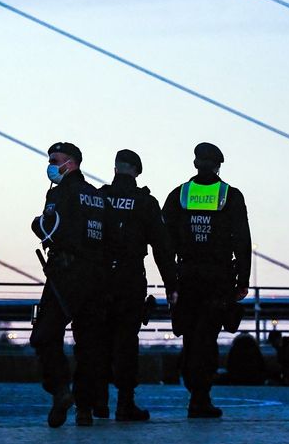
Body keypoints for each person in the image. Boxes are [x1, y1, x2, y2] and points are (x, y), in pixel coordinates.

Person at [162, 142, 252, 418]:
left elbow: (165, 241)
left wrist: (171, 281)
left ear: (195, 163)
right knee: (207, 337)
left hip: (187, 277)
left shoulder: (180, 195)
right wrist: (243, 281)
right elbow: (243, 240)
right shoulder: (229, 196)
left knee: (190, 337)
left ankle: (194, 393)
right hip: (217, 279)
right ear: (217, 165)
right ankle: (201, 397)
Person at [29, 142, 112, 428]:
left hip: (65, 274)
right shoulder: (97, 196)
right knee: (89, 343)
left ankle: (61, 391)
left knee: (44, 335)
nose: (51, 165)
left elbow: (50, 227)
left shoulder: (60, 193)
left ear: (71, 163)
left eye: (55, 160)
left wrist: (36, 224)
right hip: (97, 277)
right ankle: (85, 408)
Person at [95, 149, 177, 421]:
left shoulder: (99, 197)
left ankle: (97, 402)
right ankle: (125, 404)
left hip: (100, 278)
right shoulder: (145, 203)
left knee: (99, 339)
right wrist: (171, 284)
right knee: (126, 342)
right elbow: (162, 248)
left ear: (115, 168)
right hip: (130, 279)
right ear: (137, 171)